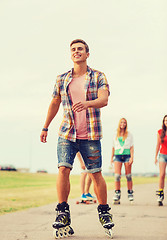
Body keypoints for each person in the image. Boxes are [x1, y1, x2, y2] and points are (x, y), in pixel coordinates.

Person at [40, 39, 114, 237]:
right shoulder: (62, 78)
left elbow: (104, 99)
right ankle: (62, 211)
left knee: (95, 173)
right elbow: (54, 103)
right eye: (73, 49)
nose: (76, 51)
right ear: (70, 54)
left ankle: (104, 211)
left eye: (80, 49)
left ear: (87, 54)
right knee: (63, 168)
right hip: (67, 132)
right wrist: (45, 126)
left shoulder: (98, 76)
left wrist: (87, 103)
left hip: (90, 134)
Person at [111, 118, 134, 204]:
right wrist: (111, 158)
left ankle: (130, 192)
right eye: (121, 122)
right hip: (117, 156)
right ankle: (117, 193)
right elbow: (113, 147)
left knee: (128, 175)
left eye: (124, 122)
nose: (123, 124)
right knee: (117, 176)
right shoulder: (115, 134)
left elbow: (131, 146)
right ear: (119, 123)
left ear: (126, 124)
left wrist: (132, 157)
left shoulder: (129, 134)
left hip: (127, 155)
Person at [155, 114, 167, 206]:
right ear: (163, 122)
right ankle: (160, 194)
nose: (166, 122)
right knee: (162, 174)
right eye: (165, 120)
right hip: (162, 155)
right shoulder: (160, 132)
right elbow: (158, 145)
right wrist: (155, 157)